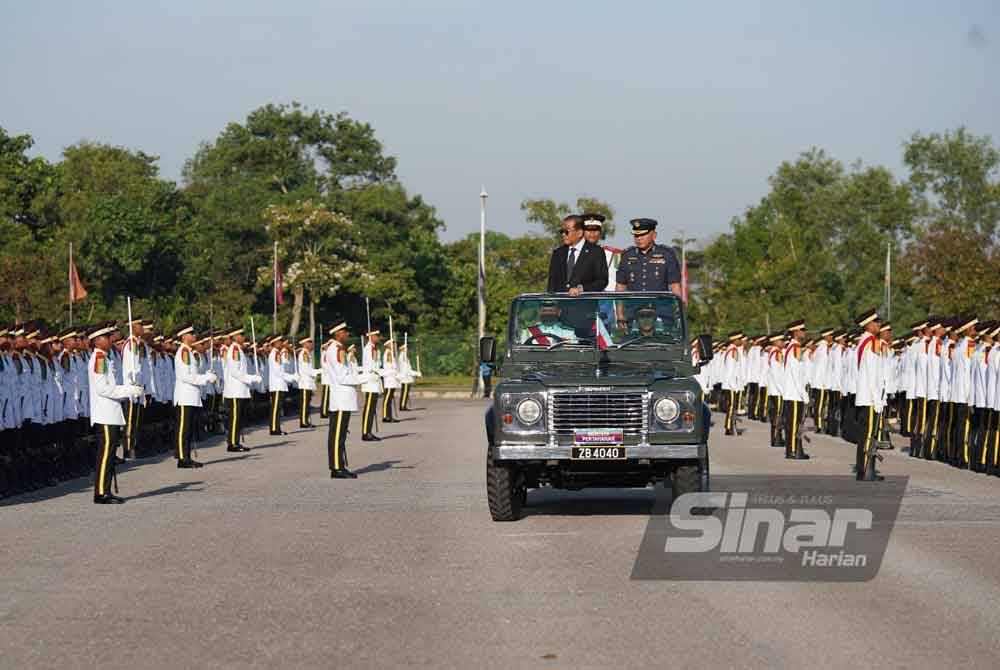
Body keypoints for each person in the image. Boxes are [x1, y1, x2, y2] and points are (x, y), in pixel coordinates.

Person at [86, 322, 143, 504]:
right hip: (104, 413)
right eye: (106, 337)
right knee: (105, 454)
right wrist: (128, 391)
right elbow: (103, 388)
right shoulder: (99, 359)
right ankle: (101, 492)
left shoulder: (105, 357)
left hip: (110, 412)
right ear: (97, 341)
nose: (111, 339)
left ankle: (106, 489)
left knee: (110, 453)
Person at [173, 325, 218, 469]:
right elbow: (186, 376)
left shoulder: (189, 352)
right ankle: (182, 457)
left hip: (191, 395)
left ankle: (186, 456)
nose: (194, 337)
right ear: (184, 336)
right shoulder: (183, 352)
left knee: (188, 428)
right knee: (183, 428)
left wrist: (206, 376)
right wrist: (205, 378)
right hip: (185, 396)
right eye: (191, 334)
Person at [324, 322, 358, 479]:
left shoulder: (338, 349)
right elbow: (342, 377)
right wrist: (365, 379)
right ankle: (337, 468)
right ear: (338, 333)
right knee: (338, 435)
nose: (347, 335)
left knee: (340, 434)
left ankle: (339, 466)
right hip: (341, 399)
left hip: (343, 398)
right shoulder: (336, 350)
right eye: (345, 332)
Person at [854, 309, 885, 481]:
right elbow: (872, 373)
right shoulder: (871, 343)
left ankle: (865, 468)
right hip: (870, 397)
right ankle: (866, 470)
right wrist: (877, 397)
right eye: (876, 322)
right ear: (867, 325)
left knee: (866, 434)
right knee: (869, 435)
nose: (879, 325)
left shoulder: (864, 341)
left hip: (866, 396)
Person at [614, 218, 682, 295]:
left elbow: (675, 285)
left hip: (659, 305)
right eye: (636, 235)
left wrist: (678, 306)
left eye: (643, 235)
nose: (639, 238)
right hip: (634, 305)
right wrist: (619, 307)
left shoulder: (667, 254)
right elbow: (620, 286)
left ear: (654, 235)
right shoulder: (627, 255)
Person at [546, 214, 609, 295]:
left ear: (579, 233)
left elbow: (602, 281)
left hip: (584, 305)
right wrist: (549, 304)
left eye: (567, 231)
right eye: (562, 231)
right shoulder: (558, 253)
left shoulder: (596, 252)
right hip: (561, 305)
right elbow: (551, 284)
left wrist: (582, 289)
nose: (563, 234)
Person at [222, 327, 261, 452]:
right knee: (234, 418)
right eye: (241, 335)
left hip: (240, 390)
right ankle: (232, 443)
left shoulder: (238, 350)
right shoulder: (234, 350)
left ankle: (236, 441)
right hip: (235, 391)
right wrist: (252, 378)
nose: (244, 337)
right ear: (235, 337)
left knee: (238, 418)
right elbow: (235, 372)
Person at [782, 320, 810, 460]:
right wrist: (803, 393)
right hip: (794, 393)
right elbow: (795, 373)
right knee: (793, 424)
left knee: (794, 423)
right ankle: (792, 450)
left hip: (793, 392)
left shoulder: (792, 347)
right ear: (796, 332)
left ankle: (795, 448)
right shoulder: (795, 348)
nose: (804, 332)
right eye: (802, 330)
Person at [581, 213, 622, 292]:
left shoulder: (615, 255)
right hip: (584, 299)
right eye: (588, 230)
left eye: (596, 230)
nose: (592, 233)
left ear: (600, 232)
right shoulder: (575, 254)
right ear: (582, 232)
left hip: (609, 300)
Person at [267, 335, 297, 436]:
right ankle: (274, 429)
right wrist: (292, 377)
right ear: (274, 343)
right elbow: (278, 372)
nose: (281, 343)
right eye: (279, 341)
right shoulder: (275, 354)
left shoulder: (277, 353)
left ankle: (277, 427)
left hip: (279, 384)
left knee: (278, 407)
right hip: (276, 385)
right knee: (275, 408)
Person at [361, 330, 383, 441]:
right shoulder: (369, 348)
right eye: (376, 336)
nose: (378, 337)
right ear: (370, 337)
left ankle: (368, 431)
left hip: (374, 381)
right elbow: (371, 366)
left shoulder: (374, 348)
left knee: (372, 408)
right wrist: (382, 372)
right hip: (370, 381)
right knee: (369, 408)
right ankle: (366, 433)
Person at [296, 337, 319, 429]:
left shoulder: (307, 353)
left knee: (307, 402)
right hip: (305, 382)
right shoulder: (304, 353)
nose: (311, 345)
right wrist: (316, 372)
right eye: (309, 343)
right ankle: (303, 421)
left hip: (308, 382)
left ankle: (306, 420)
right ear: (305, 344)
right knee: (305, 403)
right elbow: (306, 369)